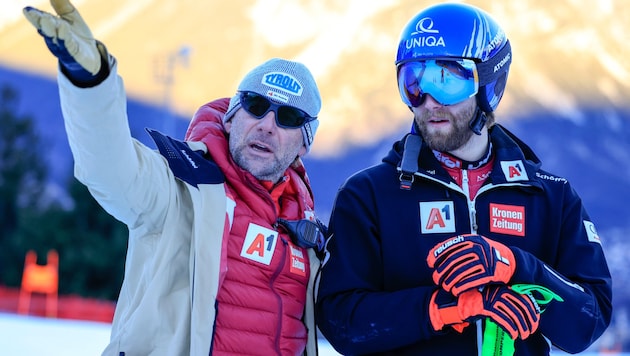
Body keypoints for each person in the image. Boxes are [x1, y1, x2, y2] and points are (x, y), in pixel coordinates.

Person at [23, 1, 326, 355]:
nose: (267, 125)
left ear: (305, 143)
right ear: (230, 118)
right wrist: (90, 84)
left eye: (288, 117)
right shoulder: (179, 188)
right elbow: (111, 170)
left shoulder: (308, 234)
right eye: (256, 106)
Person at [315, 3, 612, 355]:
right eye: (412, 82)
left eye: (446, 81)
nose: (428, 101)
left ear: (489, 85)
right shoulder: (369, 194)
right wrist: (443, 309)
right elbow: (340, 322)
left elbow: (588, 321)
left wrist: (517, 267)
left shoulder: (549, 196)